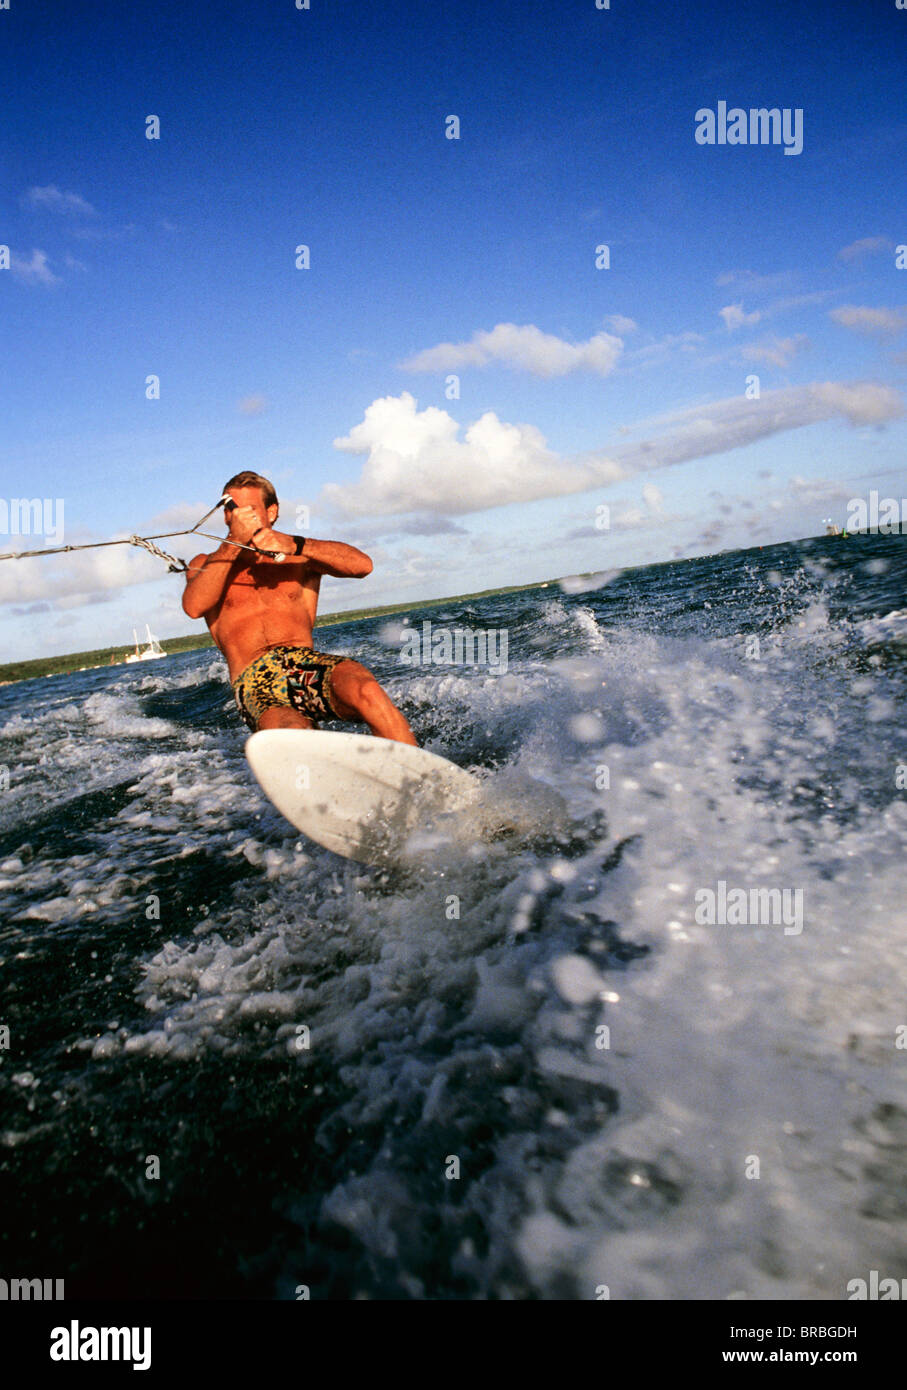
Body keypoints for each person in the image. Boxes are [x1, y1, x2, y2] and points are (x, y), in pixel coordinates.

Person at [181, 470, 417, 745]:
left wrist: (295, 544)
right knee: (291, 732)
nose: (240, 517)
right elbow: (194, 606)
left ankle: (421, 778)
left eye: (249, 510)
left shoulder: (299, 555)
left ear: (272, 512)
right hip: (254, 679)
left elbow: (363, 565)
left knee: (366, 689)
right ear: (225, 516)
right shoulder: (208, 562)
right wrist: (233, 545)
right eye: (232, 510)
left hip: (304, 666)